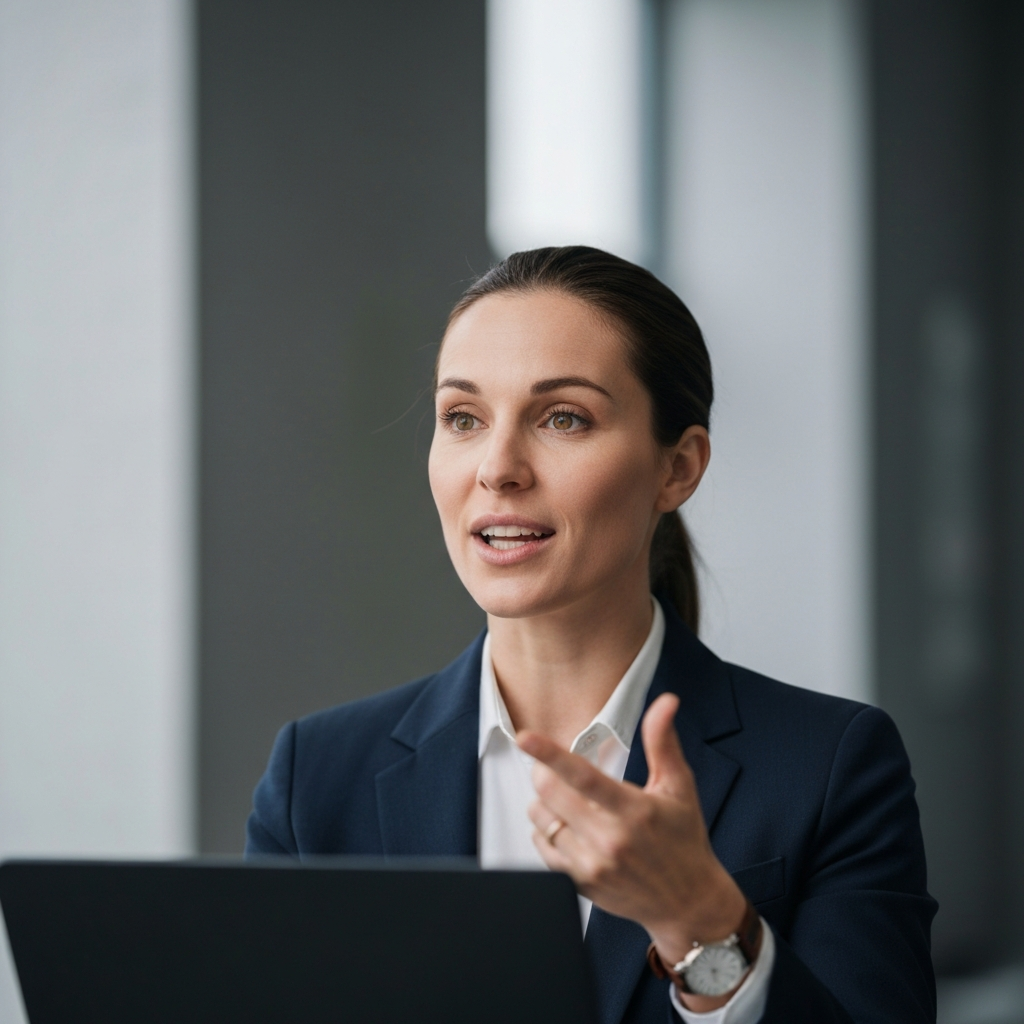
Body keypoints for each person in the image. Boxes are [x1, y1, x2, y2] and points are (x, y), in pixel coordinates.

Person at [246, 246, 937, 1023]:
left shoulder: (831, 766)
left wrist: (704, 925)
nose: (498, 468)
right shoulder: (317, 780)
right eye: (463, 418)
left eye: (563, 417)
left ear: (678, 468)